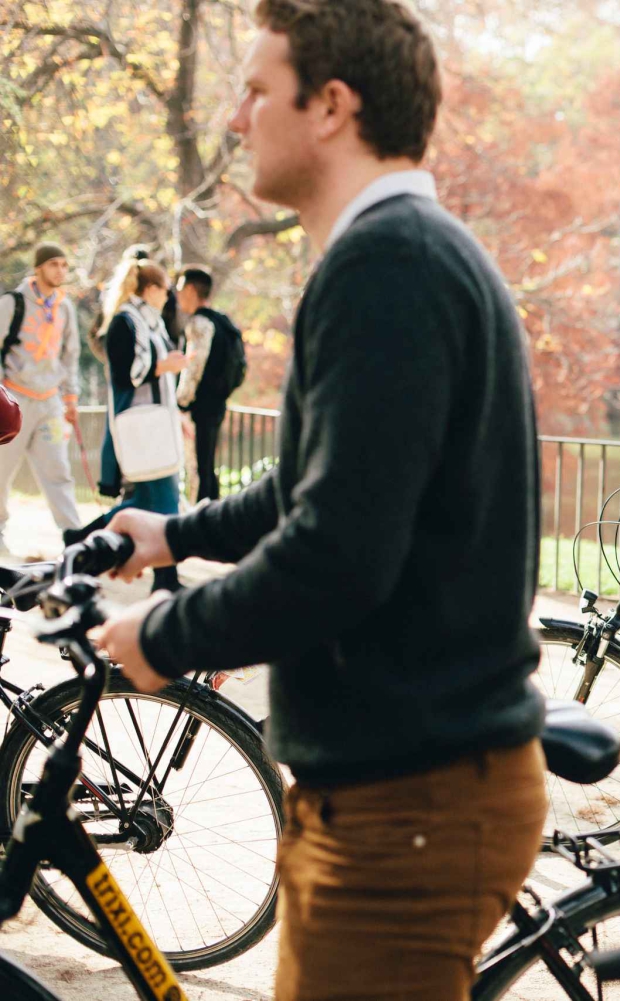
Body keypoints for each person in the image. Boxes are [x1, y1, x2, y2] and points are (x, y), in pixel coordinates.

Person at [93, 2, 547, 998]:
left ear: (332, 105)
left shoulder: (388, 266)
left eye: (257, 89)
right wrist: (173, 533)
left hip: (407, 801)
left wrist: (163, 637)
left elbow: (338, 552)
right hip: (400, 789)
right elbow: (315, 482)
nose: (233, 116)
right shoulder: (403, 251)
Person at [66, 259, 188, 591]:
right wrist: (165, 366)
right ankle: (166, 581)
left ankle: (78, 543)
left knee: (147, 503)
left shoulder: (148, 322)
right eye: (166, 289)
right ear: (150, 289)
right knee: (164, 503)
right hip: (141, 428)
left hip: (155, 425)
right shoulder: (126, 321)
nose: (169, 296)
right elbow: (125, 374)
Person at [0, 243, 84, 553]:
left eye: (64, 265)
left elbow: (70, 355)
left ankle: (74, 536)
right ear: (38, 268)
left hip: (50, 401)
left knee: (58, 470)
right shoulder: (13, 303)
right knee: (1, 471)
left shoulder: (65, 307)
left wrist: (71, 397)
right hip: (14, 399)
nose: (60, 270)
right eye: (54, 264)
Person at [175, 267, 245, 502]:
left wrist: (180, 403)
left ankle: (200, 520)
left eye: (181, 289)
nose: (177, 295)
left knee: (198, 468)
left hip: (199, 407)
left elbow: (193, 368)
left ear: (192, 290)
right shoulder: (222, 321)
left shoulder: (199, 323)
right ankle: (212, 516)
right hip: (217, 402)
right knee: (207, 465)